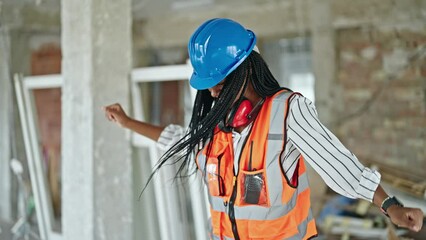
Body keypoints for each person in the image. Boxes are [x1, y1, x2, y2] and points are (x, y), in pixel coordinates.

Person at [104, 18, 423, 239]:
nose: (213, 92)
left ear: (244, 70)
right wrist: (129, 123)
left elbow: (340, 167)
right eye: (209, 85)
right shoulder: (219, 126)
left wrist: (390, 205)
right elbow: (181, 140)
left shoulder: (287, 112)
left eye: (219, 82)